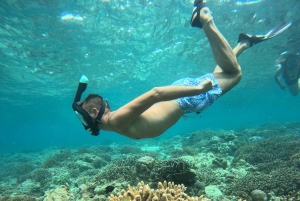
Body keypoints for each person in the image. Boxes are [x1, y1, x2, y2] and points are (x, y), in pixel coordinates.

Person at [72, 0, 286, 139]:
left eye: (82, 118)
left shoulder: (116, 120)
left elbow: (155, 93)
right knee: (222, 73)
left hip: (187, 99)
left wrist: (198, 90)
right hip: (182, 97)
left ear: (94, 112)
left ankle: (205, 20)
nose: (83, 123)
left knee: (235, 74)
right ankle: (244, 43)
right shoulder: (115, 122)